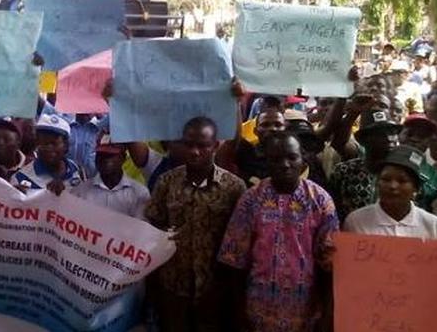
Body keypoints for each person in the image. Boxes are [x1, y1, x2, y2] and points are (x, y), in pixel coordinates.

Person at [218, 132, 338, 332]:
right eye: (276, 159)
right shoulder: (251, 199)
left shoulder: (320, 200)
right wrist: (238, 312)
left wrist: (327, 314)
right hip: (258, 312)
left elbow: (330, 264)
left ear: (303, 159)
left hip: (306, 314)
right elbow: (234, 261)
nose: (285, 164)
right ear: (266, 161)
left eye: (291, 157)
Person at [146, 117, 246, 331]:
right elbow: (153, 230)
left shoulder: (234, 187)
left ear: (215, 146)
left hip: (215, 288)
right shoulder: (166, 182)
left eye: (202, 146)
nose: (194, 151)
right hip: (173, 285)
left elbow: (239, 241)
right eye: (188, 144)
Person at [344, 146, 437, 240]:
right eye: (386, 179)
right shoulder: (356, 222)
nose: (393, 186)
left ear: (416, 188)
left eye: (402, 181)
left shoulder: (435, 227)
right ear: (377, 183)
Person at [327, 109, 401, 221]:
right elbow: (331, 211)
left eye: (392, 132)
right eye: (380, 133)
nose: (389, 138)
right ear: (363, 140)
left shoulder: (403, 174)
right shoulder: (345, 171)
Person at [72, 133, 150, 219]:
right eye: (101, 154)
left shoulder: (139, 194)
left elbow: (141, 228)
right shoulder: (79, 192)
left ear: (123, 158)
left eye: (110, 155)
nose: (104, 159)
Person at [11, 114, 84, 195]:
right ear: (36, 144)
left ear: (66, 145)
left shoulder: (75, 169)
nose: (49, 148)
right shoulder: (20, 178)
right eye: (44, 142)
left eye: (54, 143)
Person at [68, 113, 106, 178]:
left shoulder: (101, 127)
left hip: (94, 176)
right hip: (71, 176)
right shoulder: (67, 126)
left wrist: (101, 116)